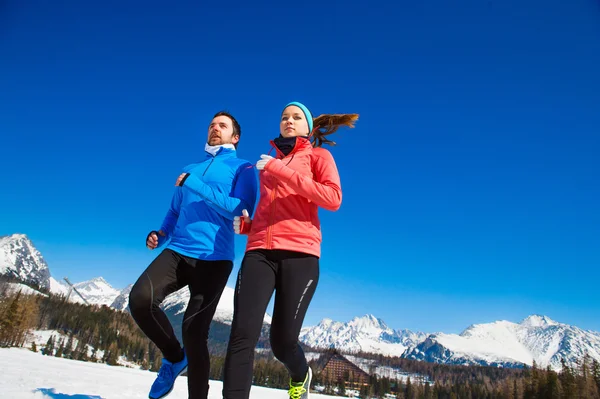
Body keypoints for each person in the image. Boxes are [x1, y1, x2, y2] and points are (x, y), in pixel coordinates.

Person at [222, 101, 358, 399]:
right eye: (284, 117)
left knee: (282, 342)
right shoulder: (270, 161)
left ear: (309, 127)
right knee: (242, 334)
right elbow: (272, 210)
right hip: (259, 251)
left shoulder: (318, 156)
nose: (289, 120)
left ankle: (300, 374)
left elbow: (333, 198)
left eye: (296, 117)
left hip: (301, 254)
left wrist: (281, 171)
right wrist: (249, 225)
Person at [128, 111, 258, 399]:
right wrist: (161, 235)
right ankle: (175, 358)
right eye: (212, 125)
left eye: (222, 125)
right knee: (139, 300)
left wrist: (195, 184)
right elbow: (175, 211)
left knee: (194, 332)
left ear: (235, 137)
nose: (215, 128)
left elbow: (242, 208)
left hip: (214, 258)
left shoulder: (243, 168)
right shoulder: (190, 168)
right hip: (177, 251)